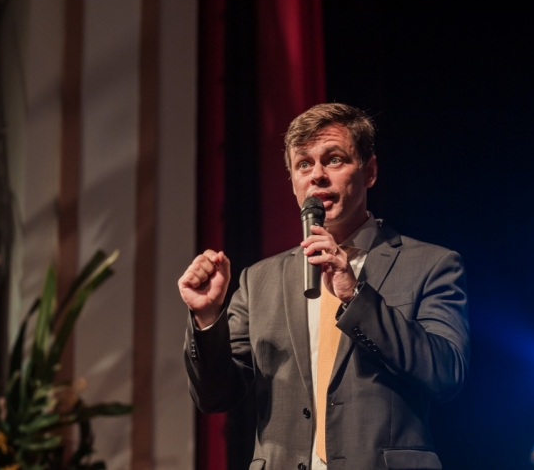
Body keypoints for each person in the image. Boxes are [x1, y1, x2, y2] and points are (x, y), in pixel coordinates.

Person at [179, 103, 469, 469]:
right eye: (303, 164)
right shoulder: (259, 280)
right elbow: (214, 396)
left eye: (334, 160)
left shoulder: (430, 264)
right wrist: (207, 317)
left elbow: (445, 374)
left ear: (370, 171)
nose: (317, 175)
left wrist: (356, 295)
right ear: (292, 182)